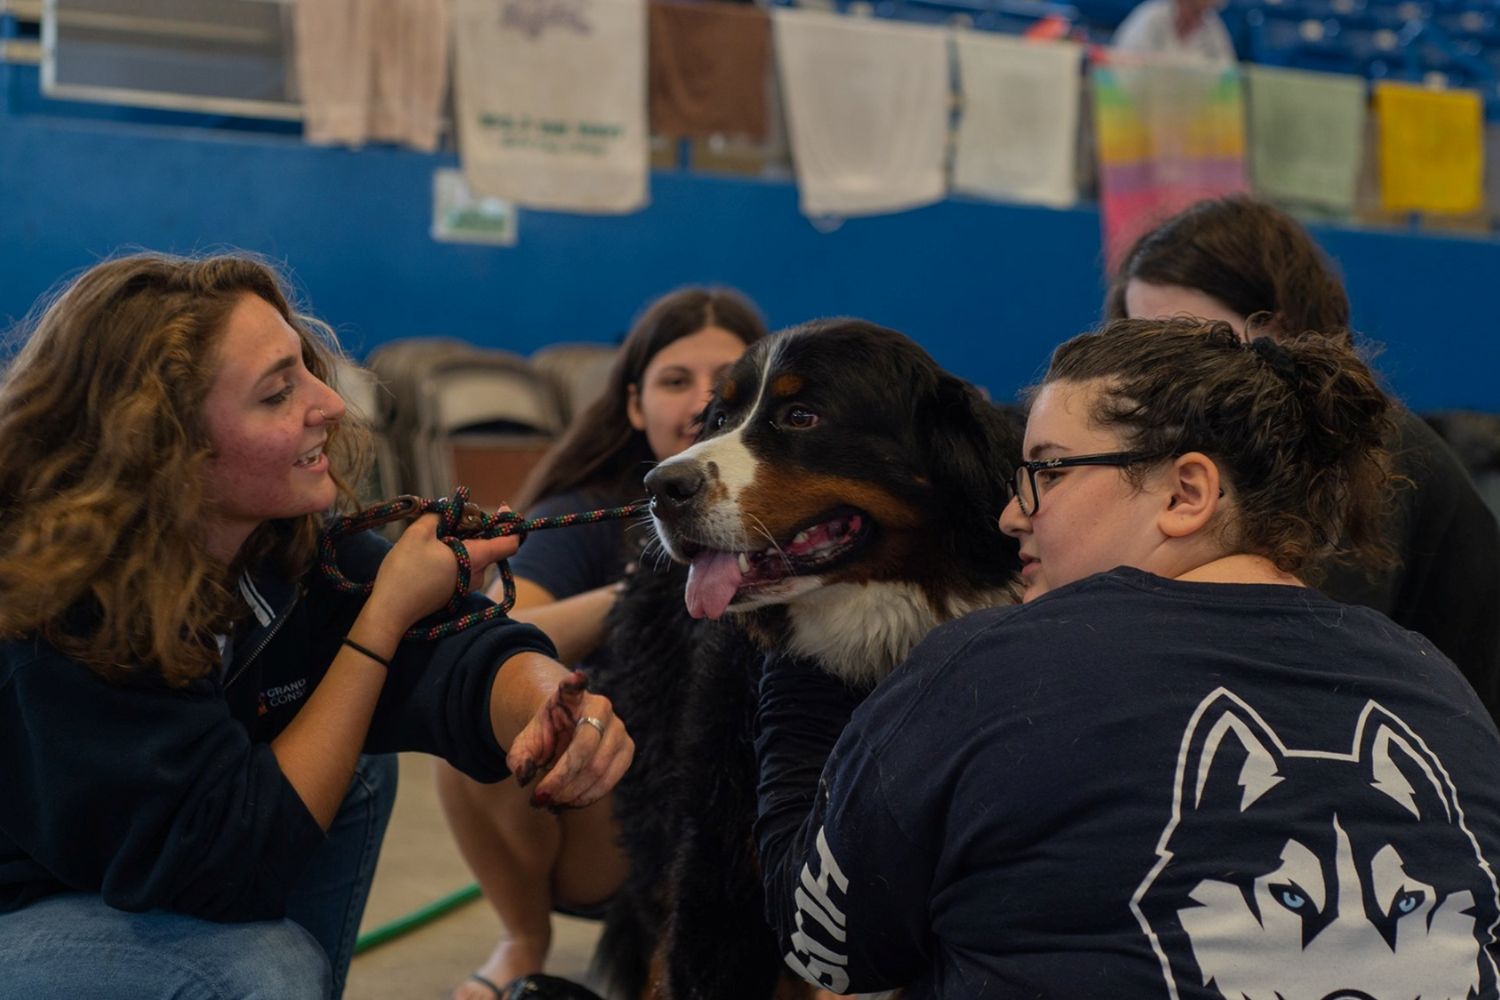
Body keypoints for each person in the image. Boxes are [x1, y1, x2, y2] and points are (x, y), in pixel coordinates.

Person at [754, 317, 1500, 997]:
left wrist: (798, 660)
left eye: (1049, 471)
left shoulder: (994, 667)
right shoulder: (1437, 687)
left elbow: (826, 944)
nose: (1013, 512)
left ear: (1186, 493)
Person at [0, 253, 634, 1000]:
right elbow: (224, 867)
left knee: (353, 762)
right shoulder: (62, 608)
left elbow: (452, 644)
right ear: (165, 445)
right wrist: (383, 616)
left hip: (121, 867)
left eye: (306, 368)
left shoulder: (276, 541)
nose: (330, 404)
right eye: (277, 393)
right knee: (262, 969)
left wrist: (549, 703)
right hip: (24, 906)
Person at [437, 287, 769, 1000]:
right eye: (674, 381)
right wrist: (642, 593)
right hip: (613, 818)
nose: (699, 402)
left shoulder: (787, 507)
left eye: (724, 384)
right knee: (474, 710)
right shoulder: (586, 512)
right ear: (633, 405)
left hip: (762, 803)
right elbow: (489, 636)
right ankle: (522, 939)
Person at [1108, 194, 1500, 718]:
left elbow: (1305, 656)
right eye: (1146, 341)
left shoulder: (1361, 449)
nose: (1164, 370)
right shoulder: (1217, 447)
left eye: (1193, 339)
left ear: (1280, 328)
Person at [1111, 0, 1235, 64]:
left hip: (1192, 103)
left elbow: (1228, 77)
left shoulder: (1213, 26)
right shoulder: (1152, 18)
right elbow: (1124, 70)